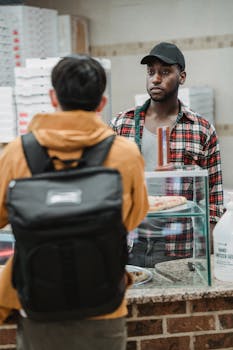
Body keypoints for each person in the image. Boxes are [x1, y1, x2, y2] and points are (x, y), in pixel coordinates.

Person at [0, 55, 149, 350]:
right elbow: (132, 218)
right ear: (101, 103)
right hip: (104, 306)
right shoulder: (125, 153)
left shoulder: (17, 152)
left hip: (39, 308)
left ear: (53, 96)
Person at [110, 42, 224, 267]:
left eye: (165, 72)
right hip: (132, 240)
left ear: (181, 77)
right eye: (151, 72)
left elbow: (213, 195)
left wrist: (208, 254)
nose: (155, 78)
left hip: (178, 244)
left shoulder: (200, 129)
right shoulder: (121, 124)